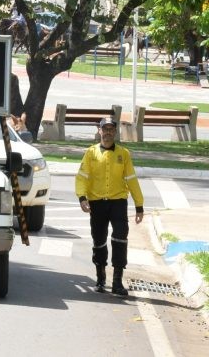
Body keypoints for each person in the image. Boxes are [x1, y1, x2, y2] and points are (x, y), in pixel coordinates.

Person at [76, 117, 144, 296]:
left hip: (118, 202)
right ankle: (100, 278)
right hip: (97, 203)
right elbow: (82, 177)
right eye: (105, 129)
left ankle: (117, 281)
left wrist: (139, 205)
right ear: (99, 131)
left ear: (115, 132)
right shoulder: (91, 153)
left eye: (111, 129)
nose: (108, 132)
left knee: (120, 237)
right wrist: (82, 197)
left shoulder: (124, 154)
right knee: (99, 240)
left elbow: (131, 179)